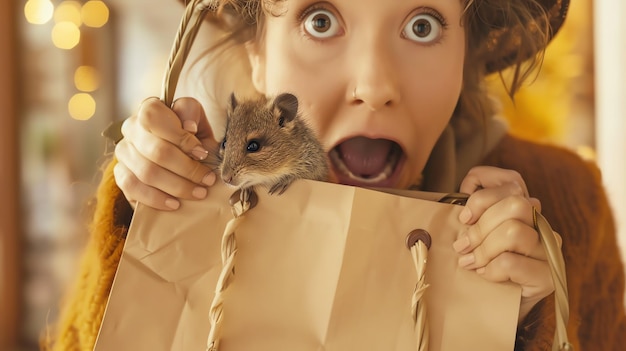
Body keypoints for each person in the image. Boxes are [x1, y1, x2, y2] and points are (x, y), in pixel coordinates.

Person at [46, 0, 626, 350]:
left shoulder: (565, 203)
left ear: (467, 50)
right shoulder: (200, 184)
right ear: (257, 50)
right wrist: (143, 221)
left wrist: (527, 324)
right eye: (320, 20)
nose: (374, 86)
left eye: (422, 25)